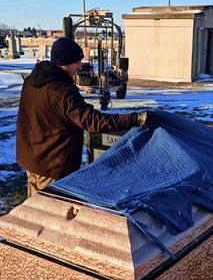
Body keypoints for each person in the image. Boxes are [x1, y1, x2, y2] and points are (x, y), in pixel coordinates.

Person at [16, 37, 153, 197]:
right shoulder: (62, 91)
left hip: (32, 159)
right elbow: (93, 121)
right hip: (51, 166)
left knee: (33, 209)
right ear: (66, 62)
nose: (80, 66)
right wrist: (136, 119)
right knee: (50, 214)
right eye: (77, 62)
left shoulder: (33, 81)